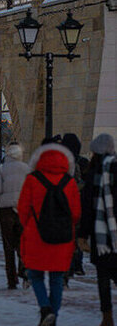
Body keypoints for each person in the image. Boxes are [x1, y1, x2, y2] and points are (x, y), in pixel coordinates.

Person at [18, 141, 81, 326]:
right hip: (62, 237)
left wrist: (30, 225)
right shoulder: (69, 182)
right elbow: (76, 213)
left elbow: (23, 210)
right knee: (56, 278)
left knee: (35, 276)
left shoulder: (32, 179)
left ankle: (45, 309)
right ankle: (53, 316)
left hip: (36, 235)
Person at [78, 133, 117, 326]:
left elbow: (87, 207)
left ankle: (107, 316)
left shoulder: (93, 174)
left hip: (99, 234)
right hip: (115, 233)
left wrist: (82, 234)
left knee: (103, 277)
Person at [0, 143, 30, 289]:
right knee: (23, 242)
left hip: (5, 209)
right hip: (23, 209)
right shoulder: (27, 169)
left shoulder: (0, 170)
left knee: (8, 245)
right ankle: (24, 269)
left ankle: (11, 280)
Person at [62, 132, 89, 278]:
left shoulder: (62, 162)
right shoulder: (83, 162)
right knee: (76, 235)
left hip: (64, 204)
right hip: (78, 205)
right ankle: (77, 264)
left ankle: (69, 265)